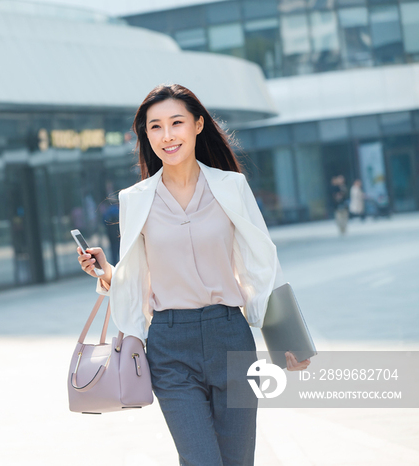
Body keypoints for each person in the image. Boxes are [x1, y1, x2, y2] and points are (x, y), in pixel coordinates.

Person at [76, 84, 309, 466]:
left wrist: (287, 340)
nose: (167, 135)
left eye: (176, 123)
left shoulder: (231, 187)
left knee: (237, 461)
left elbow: (261, 267)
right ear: (145, 135)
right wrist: (106, 273)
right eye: (155, 127)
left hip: (229, 337)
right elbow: (138, 278)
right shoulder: (135, 200)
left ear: (198, 125)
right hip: (170, 346)